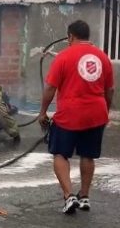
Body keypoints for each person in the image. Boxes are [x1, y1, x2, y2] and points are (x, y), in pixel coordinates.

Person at [38, 20, 114, 214]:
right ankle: (85, 196)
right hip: (96, 113)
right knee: (88, 154)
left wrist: (42, 112)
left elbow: (50, 88)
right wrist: (106, 110)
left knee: (60, 154)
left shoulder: (64, 57)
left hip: (70, 114)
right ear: (88, 36)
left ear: (70, 36)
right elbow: (110, 89)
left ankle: (69, 196)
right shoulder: (103, 57)